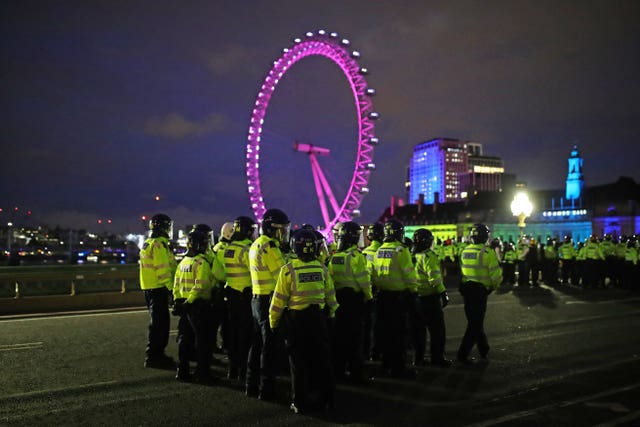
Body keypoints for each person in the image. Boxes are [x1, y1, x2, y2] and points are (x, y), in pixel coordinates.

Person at [270, 229, 339, 414]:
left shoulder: (288, 270)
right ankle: (328, 398)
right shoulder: (321, 269)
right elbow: (331, 296)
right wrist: (332, 313)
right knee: (322, 360)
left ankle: (299, 401)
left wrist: (273, 323)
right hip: (318, 319)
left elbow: (278, 302)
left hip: (296, 322)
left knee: (298, 363)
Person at [246, 208, 290, 400]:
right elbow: (282, 274)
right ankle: (267, 387)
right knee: (269, 346)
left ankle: (251, 383)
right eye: (281, 230)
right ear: (272, 229)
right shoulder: (270, 247)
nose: (283, 234)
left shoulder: (256, 244)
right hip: (268, 301)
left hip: (256, 299)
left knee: (256, 345)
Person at [371, 219, 418, 378]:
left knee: (386, 333)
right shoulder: (401, 250)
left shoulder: (379, 250)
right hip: (399, 298)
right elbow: (409, 275)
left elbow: (375, 274)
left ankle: (386, 366)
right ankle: (399, 368)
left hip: (383, 296)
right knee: (399, 334)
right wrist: (413, 291)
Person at [328, 221, 372, 383]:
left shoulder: (336, 257)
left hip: (339, 299)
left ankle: (338, 372)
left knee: (339, 338)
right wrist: (369, 297)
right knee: (355, 338)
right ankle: (356, 373)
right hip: (354, 301)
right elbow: (364, 281)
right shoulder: (356, 257)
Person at [172, 230, 217, 383]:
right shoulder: (201, 262)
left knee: (184, 339)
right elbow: (201, 285)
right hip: (197, 306)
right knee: (202, 341)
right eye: (205, 244)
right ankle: (202, 373)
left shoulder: (183, 262)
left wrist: (178, 301)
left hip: (184, 306)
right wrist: (190, 301)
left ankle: (182, 370)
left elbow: (176, 285)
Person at [457, 223, 502, 365]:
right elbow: (495, 276)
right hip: (480, 291)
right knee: (475, 324)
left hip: (467, 290)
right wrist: (492, 287)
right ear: (485, 237)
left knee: (474, 321)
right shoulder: (487, 253)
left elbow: (463, 272)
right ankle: (462, 354)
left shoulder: (464, 251)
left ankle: (484, 348)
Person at [139, 213, 177, 368]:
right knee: (160, 324)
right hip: (158, 288)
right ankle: (155, 355)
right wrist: (172, 289)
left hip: (149, 288)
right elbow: (163, 271)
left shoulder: (148, 243)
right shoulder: (159, 245)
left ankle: (155, 354)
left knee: (156, 323)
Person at [222, 216, 257, 381]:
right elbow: (255, 272)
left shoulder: (229, 247)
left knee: (233, 332)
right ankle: (244, 370)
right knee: (245, 334)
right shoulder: (247, 249)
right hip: (245, 295)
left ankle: (232, 368)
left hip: (231, 294)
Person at [411, 228, 451, 367]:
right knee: (437, 331)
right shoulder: (429, 256)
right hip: (429, 298)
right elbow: (434, 279)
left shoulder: (410, 255)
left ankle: (418, 359)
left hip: (415, 298)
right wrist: (443, 293)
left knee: (418, 332)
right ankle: (437, 358)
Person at [362, 222, 384, 361]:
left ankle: (366, 352)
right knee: (379, 325)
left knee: (367, 325)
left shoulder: (363, 252)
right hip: (379, 292)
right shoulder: (381, 252)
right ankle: (376, 352)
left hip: (365, 293)